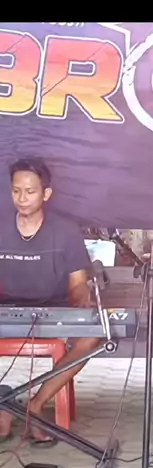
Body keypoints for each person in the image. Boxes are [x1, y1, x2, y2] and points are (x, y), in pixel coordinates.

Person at [0, 157, 100, 445]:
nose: (22, 198)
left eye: (30, 191)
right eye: (16, 190)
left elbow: (78, 284)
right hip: (6, 311)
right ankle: (3, 404)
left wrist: (82, 303)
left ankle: (36, 405)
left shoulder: (66, 231)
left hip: (54, 311)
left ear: (46, 194)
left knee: (91, 338)